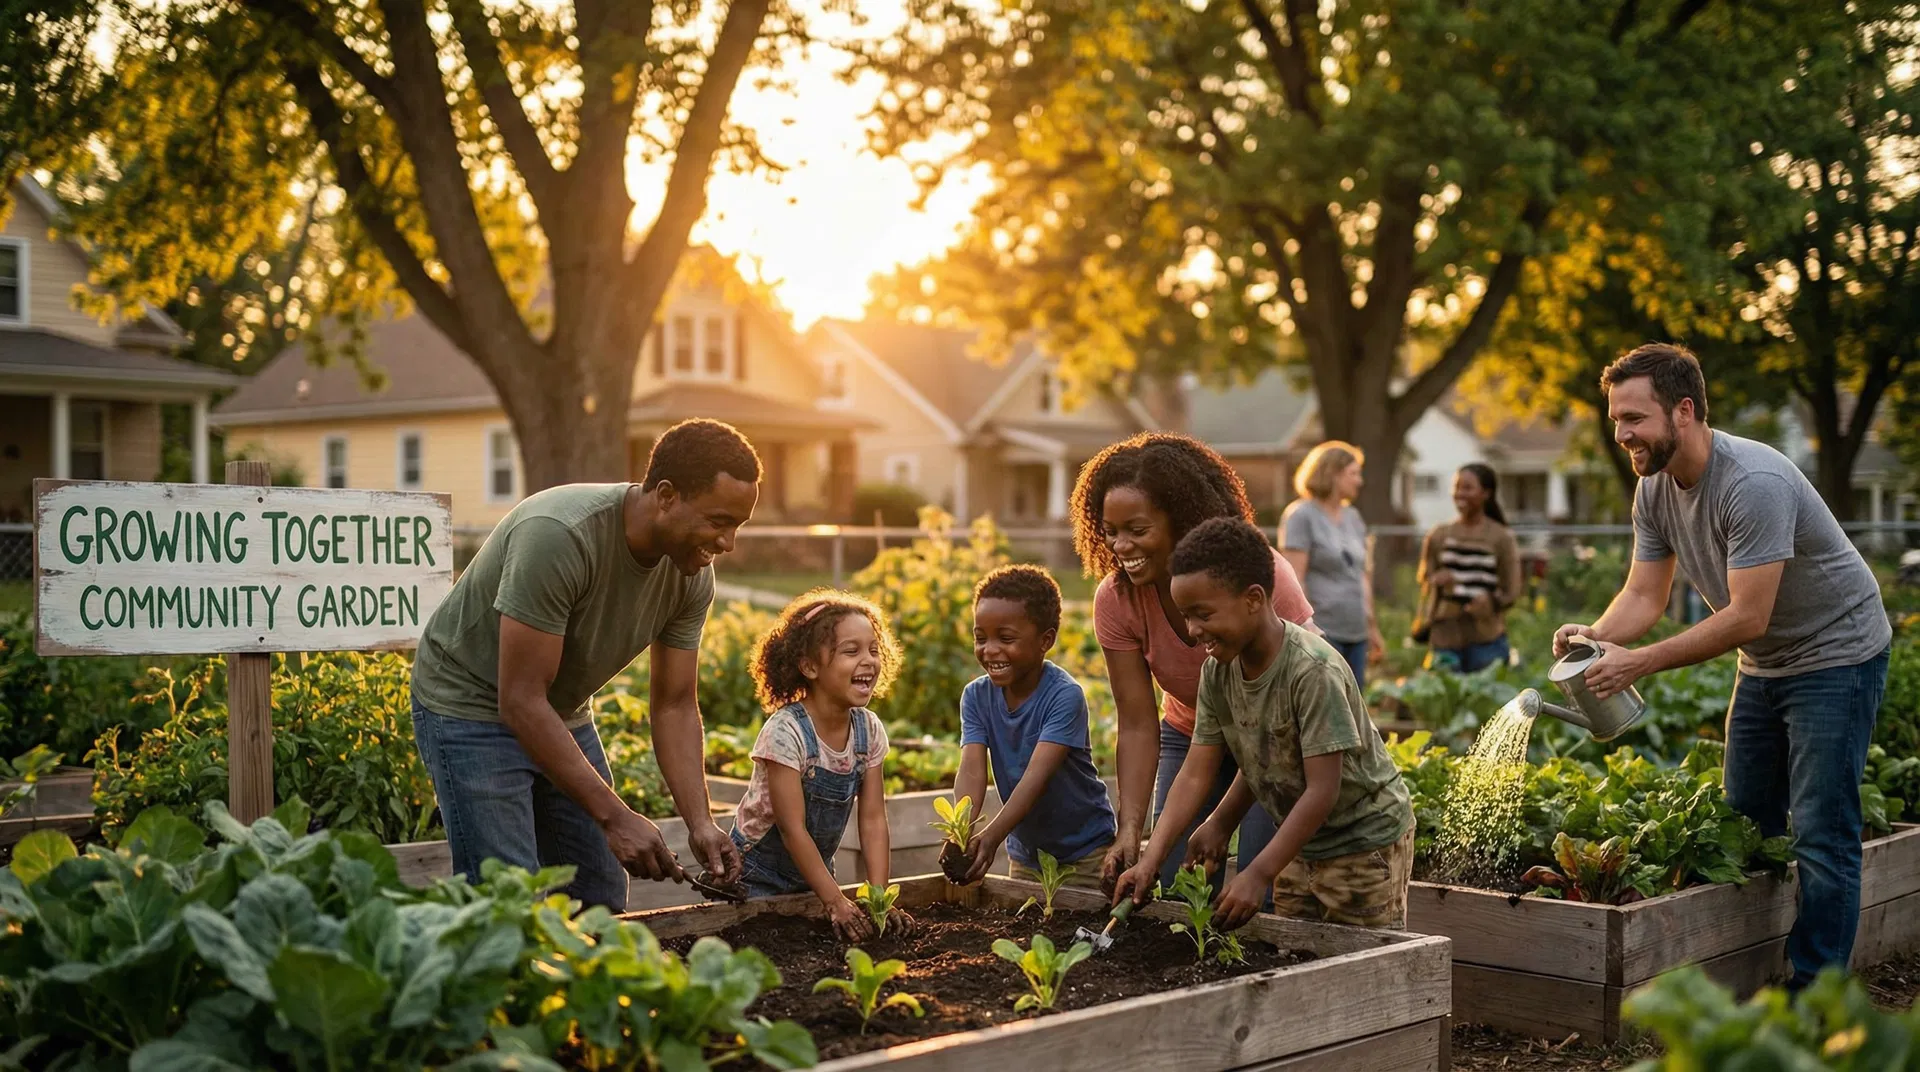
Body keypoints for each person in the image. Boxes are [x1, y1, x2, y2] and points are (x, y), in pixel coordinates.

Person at [1557, 342, 1891, 991]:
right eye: (1616, 418)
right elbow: (1644, 594)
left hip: (1836, 654)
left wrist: (1639, 664)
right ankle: (1749, 969)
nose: (1621, 432)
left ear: (1684, 411)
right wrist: (1597, 636)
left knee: (1823, 831)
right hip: (1766, 667)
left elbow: (1747, 616)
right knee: (1745, 824)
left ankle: (1814, 1000)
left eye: (1634, 418)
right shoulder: (1653, 487)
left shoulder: (1752, 483)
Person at [409, 418, 756, 911]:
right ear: (665, 495)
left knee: (599, 892)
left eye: (738, 526)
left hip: (559, 708)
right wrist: (615, 817)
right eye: (719, 521)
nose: (727, 543)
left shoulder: (691, 575)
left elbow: (675, 704)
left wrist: (700, 822)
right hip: (469, 706)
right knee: (509, 901)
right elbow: (520, 699)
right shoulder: (558, 535)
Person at [1112, 518, 1416, 929]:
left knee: (1362, 964)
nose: (1192, 630)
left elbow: (1322, 790)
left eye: (1203, 614)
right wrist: (1171, 849)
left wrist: (1257, 872)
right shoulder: (1218, 672)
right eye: (1185, 615)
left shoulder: (1312, 670)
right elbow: (1200, 773)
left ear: (1254, 598)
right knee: (1291, 954)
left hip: (1362, 844)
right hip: (1299, 843)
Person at [1071, 431, 1318, 891]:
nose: (1121, 546)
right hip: (1192, 734)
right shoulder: (1117, 599)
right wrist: (1131, 829)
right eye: (1111, 532)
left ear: (1183, 521)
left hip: (1280, 739)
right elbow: (1139, 724)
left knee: (1259, 885)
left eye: (1138, 530)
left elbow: (1295, 705)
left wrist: (1225, 820)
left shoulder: (1258, 576)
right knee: (1171, 880)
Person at [727, 590, 910, 940]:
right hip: (756, 876)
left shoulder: (868, 730)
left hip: (815, 874)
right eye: (851, 651)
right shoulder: (786, 732)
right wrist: (834, 901)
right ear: (809, 667)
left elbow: (872, 819)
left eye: (874, 649)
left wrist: (879, 897)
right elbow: (791, 829)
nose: (868, 661)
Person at [950, 564, 1118, 888]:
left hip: (1084, 852)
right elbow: (971, 770)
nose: (990, 650)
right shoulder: (976, 696)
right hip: (1026, 855)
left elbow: (1035, 779)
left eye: (1006, 638)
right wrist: (960, 830)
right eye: (980, 637)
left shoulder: (1064, 696)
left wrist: (992, 835)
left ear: (1045, 640)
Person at [1280, 441, 1385, 689]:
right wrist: (1307, 631)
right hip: (1322, 633)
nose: (1359, 481)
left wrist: (1371, 627)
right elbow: (1294, 579)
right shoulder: (1301, 516)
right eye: (1353, 474)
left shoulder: (1353, 517)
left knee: (1354, 707)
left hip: (1355, 632)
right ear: (1333, 474)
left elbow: (1362, 576)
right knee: (1326, 709)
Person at [1419, 463, 1522, 673]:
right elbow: (1424, 577)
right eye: (1456, 487)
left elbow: (1512, 590)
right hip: (1445, 637)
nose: (1459, 494)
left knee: (1486, 703)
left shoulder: (1501, 537)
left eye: (1467, 488)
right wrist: (1436, 580)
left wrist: (1491, 601)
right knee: (1443, 703)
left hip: (1486, 639)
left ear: (1486, 493)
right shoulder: (1439, 534)